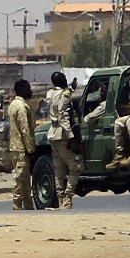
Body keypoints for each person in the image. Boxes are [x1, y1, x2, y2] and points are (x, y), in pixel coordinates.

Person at [46, 71, 83, 209]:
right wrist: (71, 137)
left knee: (59, 170)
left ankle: (61, 198)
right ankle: (67, 197)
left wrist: (71, 88)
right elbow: (64, 117)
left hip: (53, 134)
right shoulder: (65, 97)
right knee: (75, 167)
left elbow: (62, 94)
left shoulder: (50, 94)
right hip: (62, 135)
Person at [6, 79, 36, 210]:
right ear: (23, 90)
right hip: (21, 147)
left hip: (14, 146)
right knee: (20, 177)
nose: (30, 91)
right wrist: (31, 148)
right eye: (28, 88)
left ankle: (28, 204)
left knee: (24, 179)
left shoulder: (12, 104)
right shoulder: (21, 107)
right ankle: (17, 203)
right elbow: (25, 129)